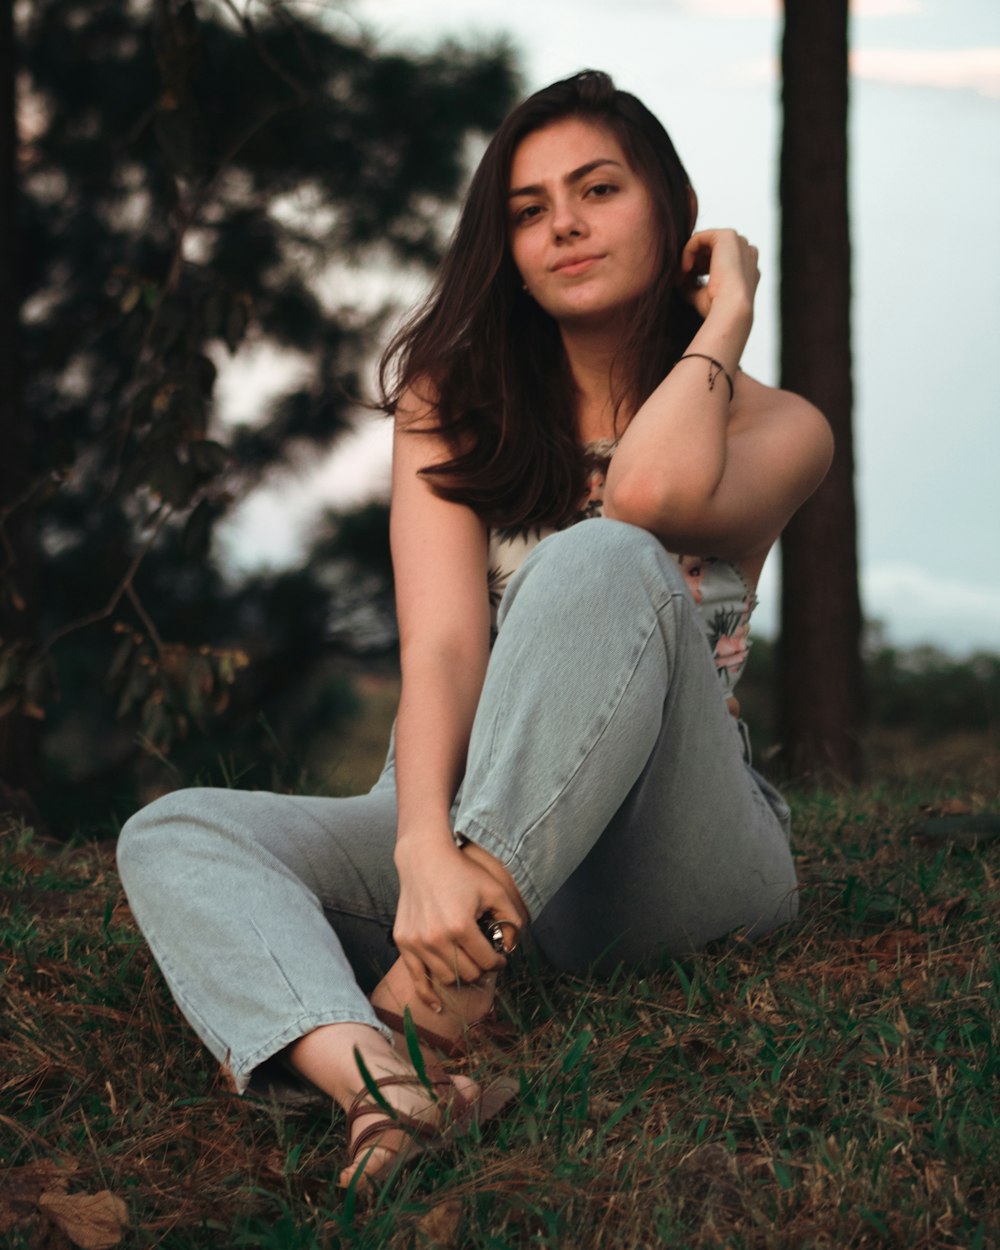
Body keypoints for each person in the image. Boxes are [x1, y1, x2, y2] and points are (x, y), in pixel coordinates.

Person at [116, 70, 833, 1192]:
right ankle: (379, 1078)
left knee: (600, 554)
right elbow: (443, 646)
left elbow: (641, 497)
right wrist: (415, 851)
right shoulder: (452, 402)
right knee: (177, 831)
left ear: (672, 210)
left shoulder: (781, 428)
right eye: (530, 208)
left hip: (675, 857)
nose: (566, 226)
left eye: (599, 189)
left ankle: (444, 986)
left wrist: (730, 309)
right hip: (460, 832)